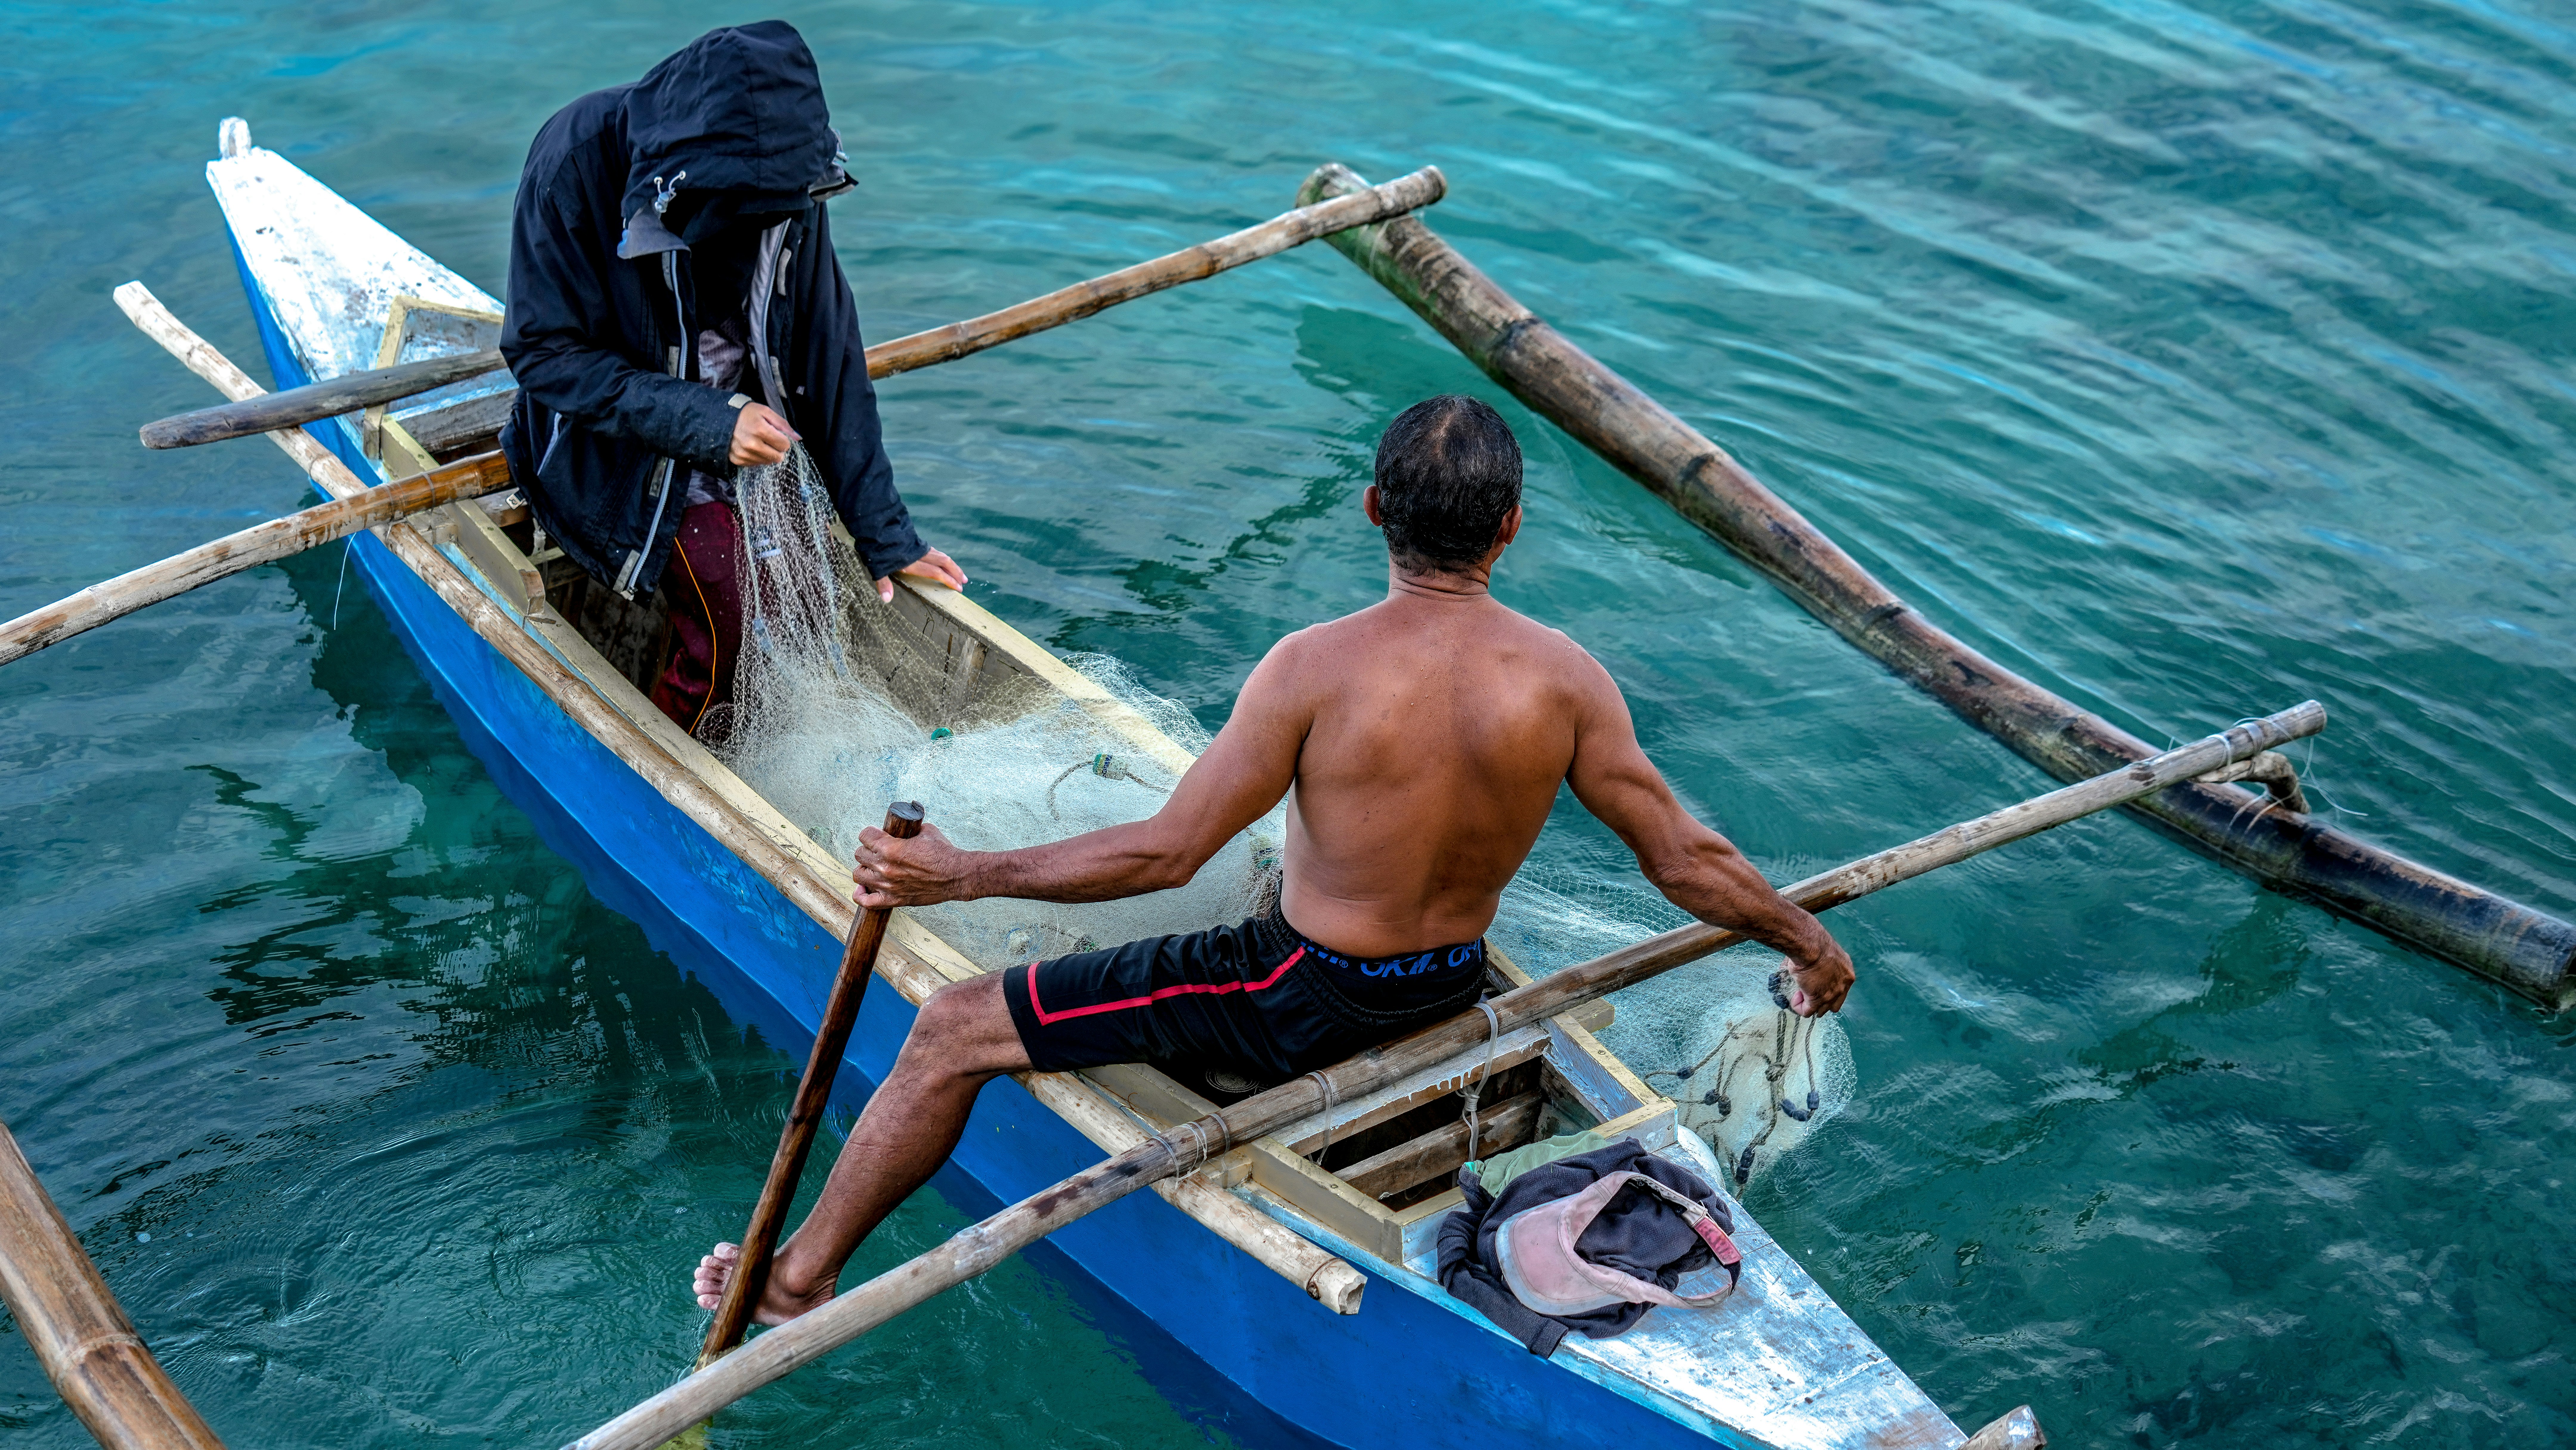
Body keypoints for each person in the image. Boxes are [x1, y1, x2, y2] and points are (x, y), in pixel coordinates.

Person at [689, 395, 1856, 1323]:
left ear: (1370, 513)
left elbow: (1163, 849)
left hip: (1300, 999)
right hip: (1448, 983)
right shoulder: (1566, 680)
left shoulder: (1312, 667)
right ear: (1509, 528)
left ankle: (796, 1280)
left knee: (954, 1027)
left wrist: (964, 875)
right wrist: (1807, 940)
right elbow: (1683, 857)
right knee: (1264, 889)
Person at [498, 21, 965, 735]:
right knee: (732, 613)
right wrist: (712, 423)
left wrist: (885, 535)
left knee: (808, 589)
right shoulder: (572, 161)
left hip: (751, 427)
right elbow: (541, 352)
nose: (767, 224)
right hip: (614, 447)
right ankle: (682, 764)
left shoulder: (793, 180)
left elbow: (829, 353)